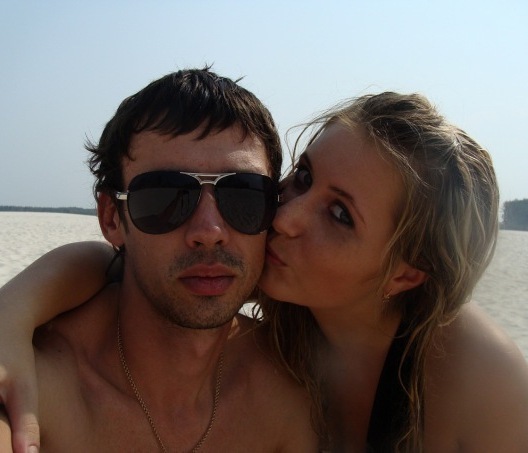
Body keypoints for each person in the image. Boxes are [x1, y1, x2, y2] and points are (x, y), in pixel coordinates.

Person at [3, 91, 528, 451]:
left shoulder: (473, 370)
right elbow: (118, 264)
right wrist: (11, 312)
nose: (286, 215)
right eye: (303, 177)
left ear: (405, 275)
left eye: (340, 215)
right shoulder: (279, 310)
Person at [0, 67, 319, 452]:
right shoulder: (29, 388)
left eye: (244, 196)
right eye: (165, 196)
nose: (209, 231)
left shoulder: (291, 389)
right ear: (111, 218)